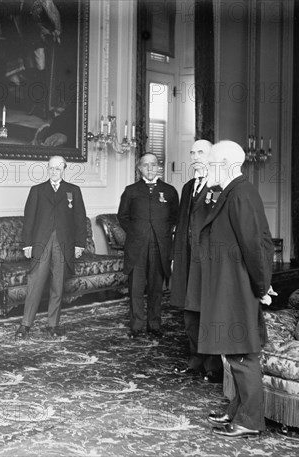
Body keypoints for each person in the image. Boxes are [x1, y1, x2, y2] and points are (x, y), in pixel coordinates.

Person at [196, 140, 275, 438]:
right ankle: (237, 412)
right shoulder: (229, 192)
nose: (206, 167)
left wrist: (262, 286)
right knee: (233, 352)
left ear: (227, 163)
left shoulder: (242, 193)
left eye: (211, 161)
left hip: (239, 288)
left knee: (243, 355)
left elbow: (256, 246)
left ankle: (250, 421)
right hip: (229, 286)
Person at [16, 155, 87, 338]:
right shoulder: (37, 190)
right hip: (41, 242)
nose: (54, 171)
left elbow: (80, 219)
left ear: (64, 169)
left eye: (58, 168)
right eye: (51, 168)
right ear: (48, 169)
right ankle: (25, 325)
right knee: (35, 284)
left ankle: (53, 325)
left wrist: (79, 244)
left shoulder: (74, 190)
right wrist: (27, 244)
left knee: (57, 285)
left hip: (64, 244)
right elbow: (29, 219)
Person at [170, 139, 223, 383]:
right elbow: (182, 225)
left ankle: (213, 366)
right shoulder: (187, 186)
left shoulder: (219, 186)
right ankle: (195, 360)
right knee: (189, 311)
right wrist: (175, 257)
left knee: (209, 311)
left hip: (209, 261)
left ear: (211, 156)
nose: (195, 156)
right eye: (192, 152)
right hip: (187, 259)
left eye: (200, 152)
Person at [117, 153, 179, 340]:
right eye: (146, 165)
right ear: (140, 168)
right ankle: (136, 326)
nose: (150, 168)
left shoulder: (169, 191)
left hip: (160, 247)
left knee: (156, 289)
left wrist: (162, 233)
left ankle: (154, 324)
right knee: (136, 288)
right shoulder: (131, 191)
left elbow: (175, 217)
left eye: (153, 165)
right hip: (137, 247)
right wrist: (136, 232)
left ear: (158, 167)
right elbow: (123, 217)